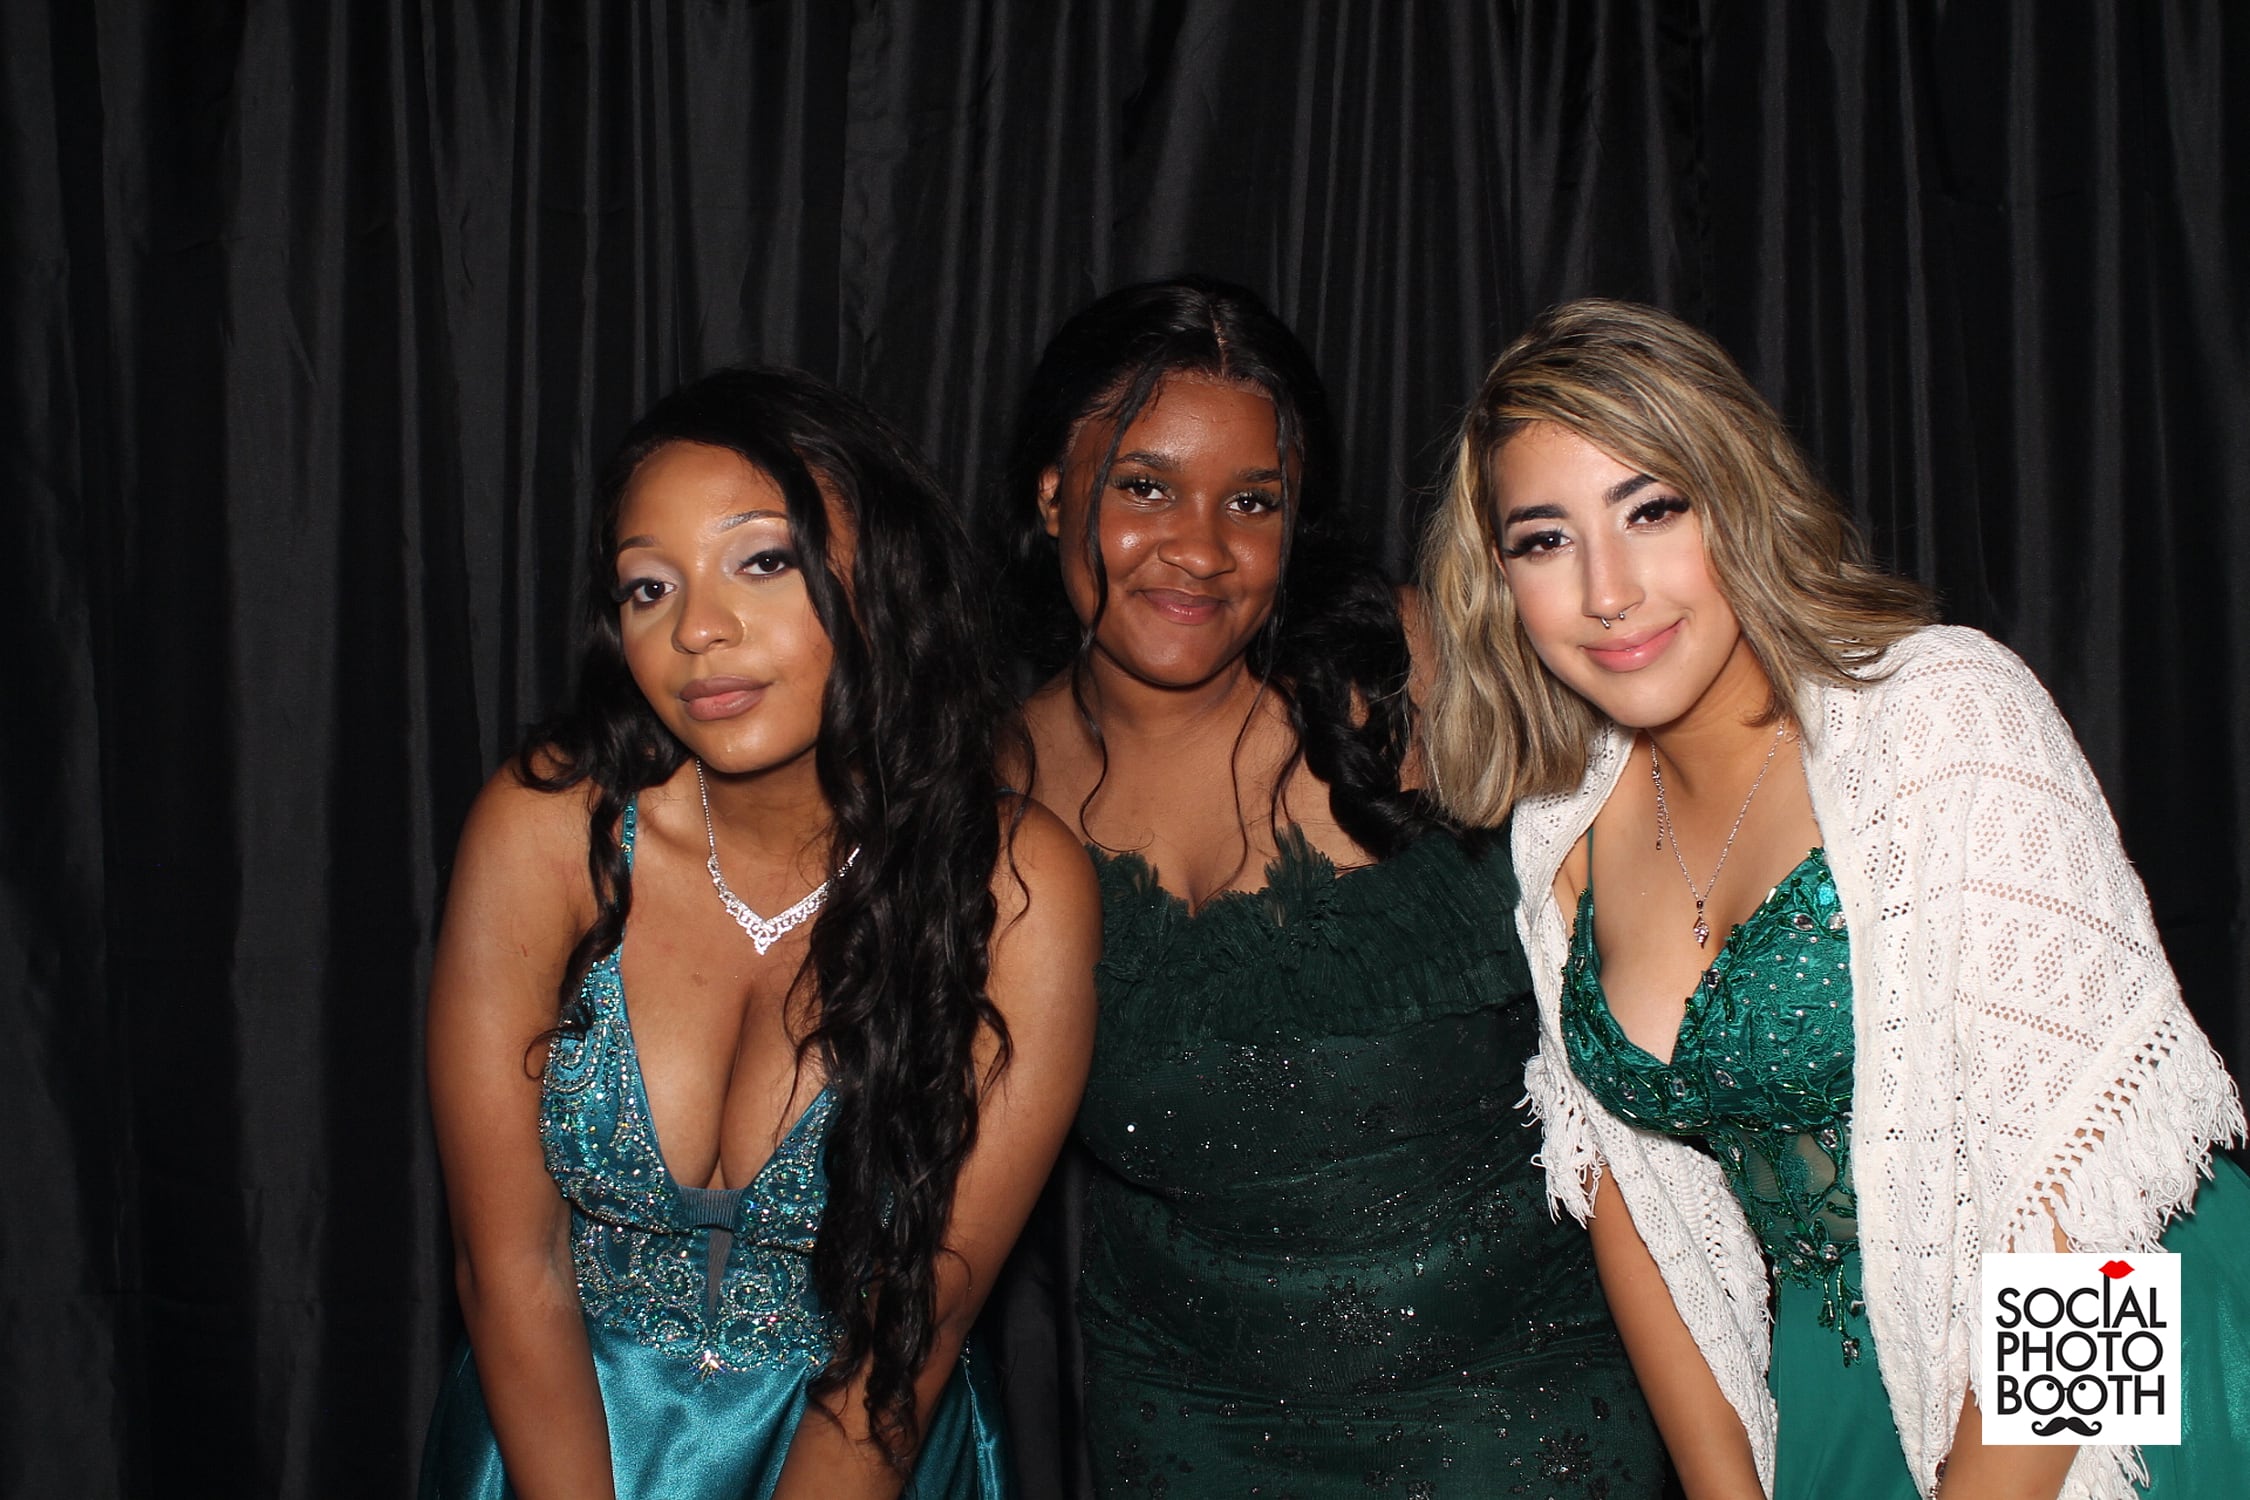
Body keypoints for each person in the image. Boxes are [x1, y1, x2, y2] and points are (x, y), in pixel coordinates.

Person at [1418, 297, 2250, 1499]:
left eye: (1653, 510)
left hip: (2106, 1355)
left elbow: (2094, 1181)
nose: (1609, 590)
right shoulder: (1562, 822)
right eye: (1545, 540)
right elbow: (1630, 1195)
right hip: (1838, 1376)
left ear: (1738, 498)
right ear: (1499, 581)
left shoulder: (1942, 713)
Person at [990, 276, 1665, 1497]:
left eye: (1254, 501)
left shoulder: (1439, 674)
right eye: (1146, 486)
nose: (1201, 547)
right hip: (1189, 1439)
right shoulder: (986, 799)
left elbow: (2074, 1201)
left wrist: (2058, 1415)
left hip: (1532, 1427)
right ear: (1051, 492)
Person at [418, 367, 1100, 1500]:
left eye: (763, 561)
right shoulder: (548, 830)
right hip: (555, 1453)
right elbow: (510, 1271)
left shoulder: (1018, 888)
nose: (697, 629)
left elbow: (914, 1329)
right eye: (649, 587)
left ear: (884, 573)